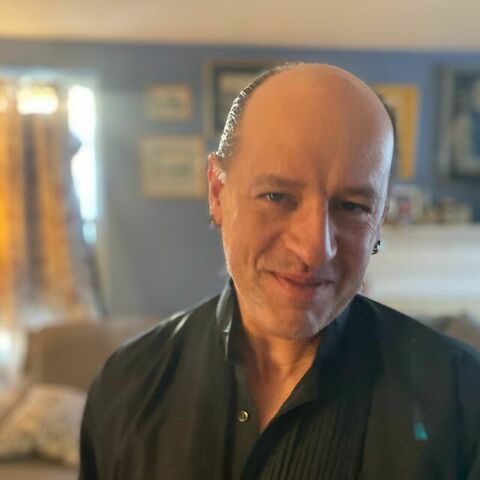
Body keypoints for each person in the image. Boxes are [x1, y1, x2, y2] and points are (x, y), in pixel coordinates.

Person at [79, 63, 480, 480]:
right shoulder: (127, 387)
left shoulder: (462, 402)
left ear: (379, 219)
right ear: (218, 193)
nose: (314, 250)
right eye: (276, 196)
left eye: (353, 206)